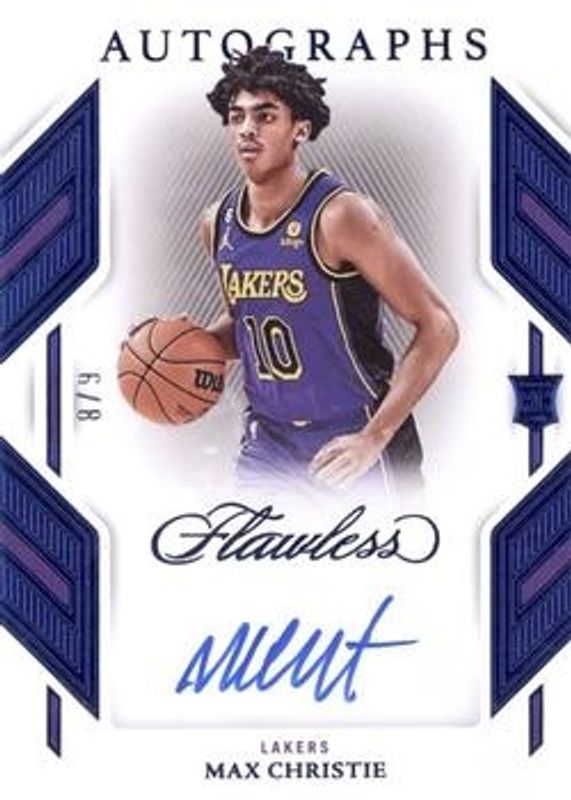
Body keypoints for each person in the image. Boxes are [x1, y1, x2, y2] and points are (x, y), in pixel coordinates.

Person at [201, 46, 458, 495]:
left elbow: (439, 326)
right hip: (269, 442)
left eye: (265, 116)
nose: (246, 129)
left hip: (354, 433)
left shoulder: (341, 216)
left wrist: (374, 438)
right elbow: (249, 324)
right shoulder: (217, 222)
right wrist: (181, 345)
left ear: (300, 129)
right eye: (236, 116)